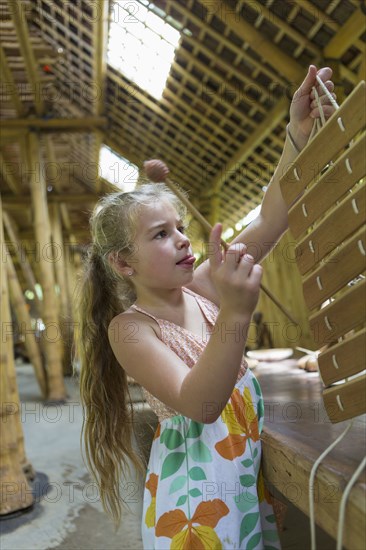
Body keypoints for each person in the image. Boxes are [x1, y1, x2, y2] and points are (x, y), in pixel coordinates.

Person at [75, 65, 335, 549]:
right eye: (160, 235)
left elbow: (272, 217)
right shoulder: (131, 330)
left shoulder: (201, 286)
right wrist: (236, 314)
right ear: (123, 263)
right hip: (193, 502)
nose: (181, 239)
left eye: (178, 227)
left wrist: (295, 135)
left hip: (237, 482)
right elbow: (200, 403)